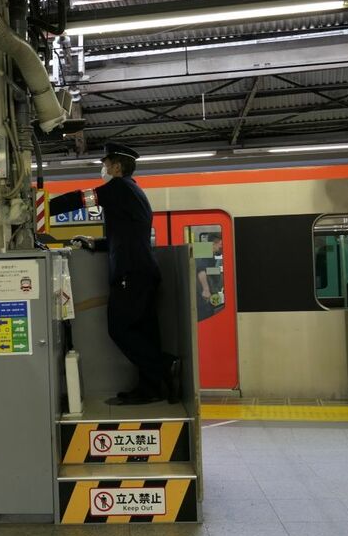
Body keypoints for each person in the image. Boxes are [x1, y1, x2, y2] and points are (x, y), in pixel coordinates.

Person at [51, 142, 180, 405]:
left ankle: (164, 365)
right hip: (143, 272)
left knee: (119, 329)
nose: (103, 169)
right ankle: (151, 388)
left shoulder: (119, 187)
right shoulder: (134, 193)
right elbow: (119, 239)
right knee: (143, 333)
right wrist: (93, 242)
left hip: (130, 274)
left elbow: (82, 198)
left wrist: (41, 208)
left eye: (106, 164)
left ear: (117, 167)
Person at [196, 233, 224, 321]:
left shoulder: (209, 253)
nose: (221, 247)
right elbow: (201, 269)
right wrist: (206, 289)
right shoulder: (205, 249)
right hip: (204, 296)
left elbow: (208, 270)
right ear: (214, 243)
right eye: (220, 244)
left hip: (210, 292)